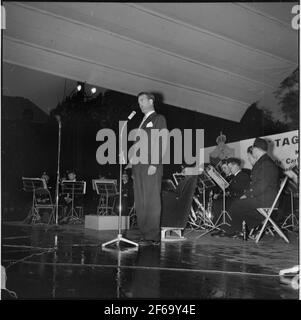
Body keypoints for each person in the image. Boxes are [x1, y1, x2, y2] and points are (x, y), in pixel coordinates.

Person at [127, 92, 167, 245]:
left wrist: (154, 164)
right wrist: (132, 162)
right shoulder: (142, 121)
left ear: (151, 101)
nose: (140, 104)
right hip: (138, 166)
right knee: (141, 199)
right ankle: (144, 233)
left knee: (151, 200)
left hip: (150, 164)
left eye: (142, 100)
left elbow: (161, 141)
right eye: (139, 101)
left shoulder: (158, 118)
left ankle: (152, 236)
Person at [220, 138, 280, 237]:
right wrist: (247, 195)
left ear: (256, 149)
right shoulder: (263, 162)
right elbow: (258, 185)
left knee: (237, 204)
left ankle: (238, 230)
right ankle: (259, 224)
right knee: (238, 204)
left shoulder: (266, 164)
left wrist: (247, 195)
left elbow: (261, 186)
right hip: (263, 197)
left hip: (266, 199)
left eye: (253, 149)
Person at [211, 158, 250, 225]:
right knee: (218, 202)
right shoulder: (236, 176)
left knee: (221, 203)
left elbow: (239, 190)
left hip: (238, 199)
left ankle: (224, 225)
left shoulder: (242, 175)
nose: (230, 169)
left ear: (236, 166)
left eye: (230, 167)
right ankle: (220, 224)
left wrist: (228, 191)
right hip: (234, 197)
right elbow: (232, 188)